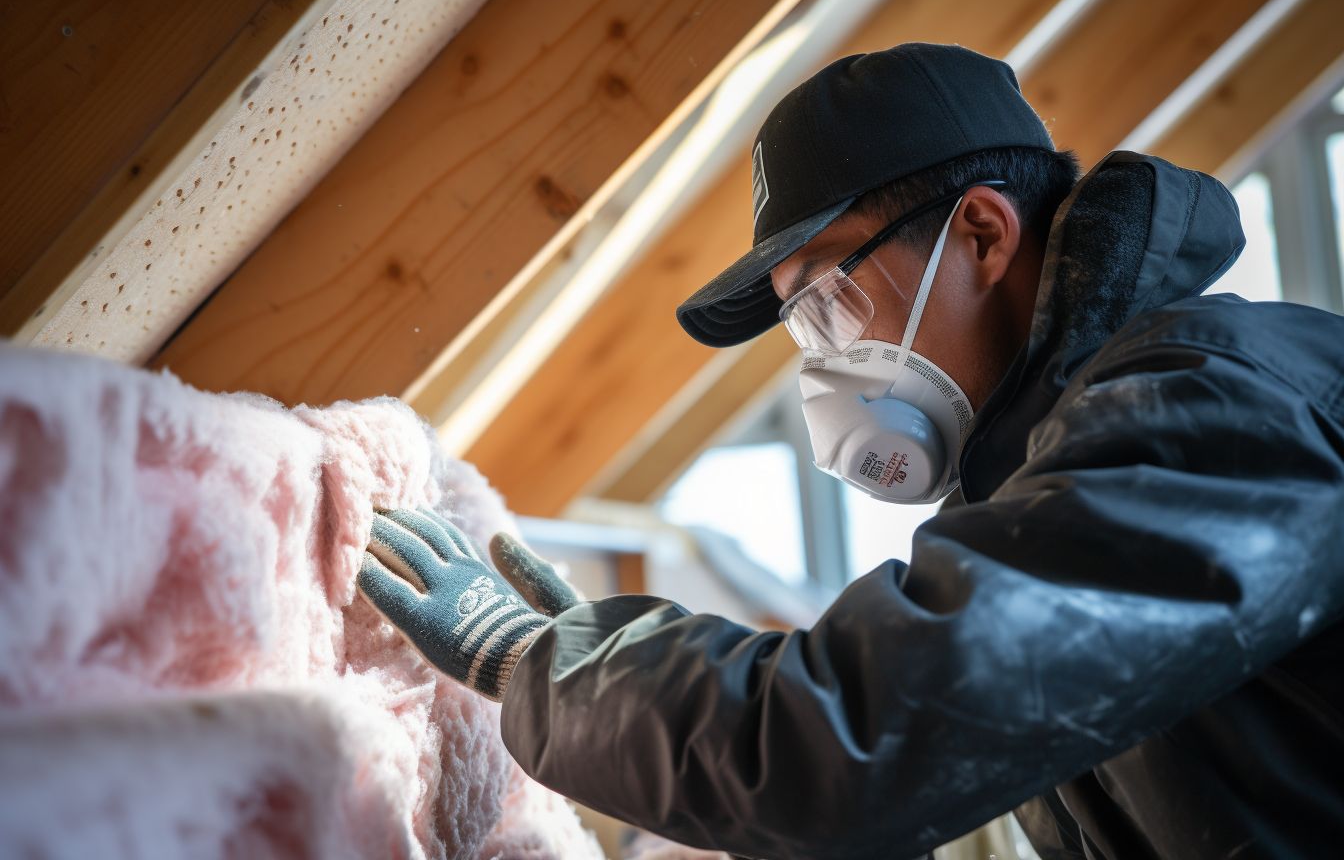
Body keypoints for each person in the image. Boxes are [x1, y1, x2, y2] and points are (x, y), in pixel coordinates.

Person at [356, 44, 1344, 859]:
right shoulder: (1063, 474)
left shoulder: (1213, 418)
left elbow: (859, 735)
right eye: (803, 326)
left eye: (830, 299)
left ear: (984, 233)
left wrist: (546, 665)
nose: (828, 361)